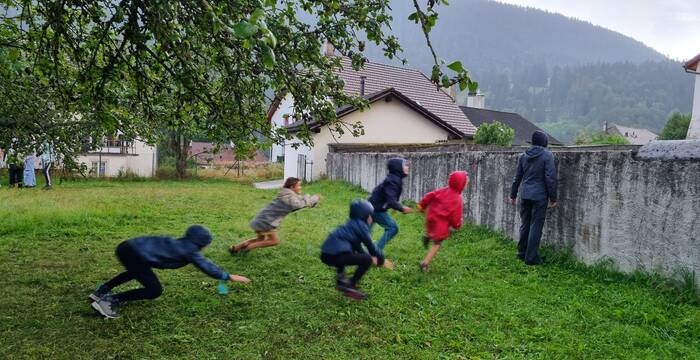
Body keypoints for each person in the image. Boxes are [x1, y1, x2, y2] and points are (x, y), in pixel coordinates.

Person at [90, 225, 250, 319]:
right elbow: (206, 266)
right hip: (135, 254)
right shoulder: (190, 251)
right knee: (154, 290)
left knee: (136, 271)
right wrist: (227, 276)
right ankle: (109, 301)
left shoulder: (182, 243)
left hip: (126, 247)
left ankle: (102, 291)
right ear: (201, 243)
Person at [320, 200, 391, 300]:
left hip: (326, 254)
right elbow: (371, 246)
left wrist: (370, 256)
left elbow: (358, 247)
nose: (371, 218)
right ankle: (350, 285)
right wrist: (381, 260)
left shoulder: (351, 224)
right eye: (370, 215)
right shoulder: (361, 226)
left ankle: (341, 279)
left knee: (348, 252)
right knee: (367, 259)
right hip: (335, 254)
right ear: (365, 215)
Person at [229, 177, 320, 254]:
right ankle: (247, 248)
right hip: (267, 222)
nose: (300, 187)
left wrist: (311, 200)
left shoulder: (287, 194)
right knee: (274, 241)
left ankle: (236, 248)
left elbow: (301, 201)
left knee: (260, 240)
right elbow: (299, 204)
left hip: (261, 219)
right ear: (292, 187)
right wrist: (312, 198)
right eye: (299, 185)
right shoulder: (289, 197)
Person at [510, 130, 558, 265]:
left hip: (525, 194)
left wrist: (513, 195)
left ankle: (521, 253)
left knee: (525, 224)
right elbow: (550, 178)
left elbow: (517, 177)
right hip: (539, 196)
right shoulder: (547, 155)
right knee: (536, 226)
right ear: (544, 142)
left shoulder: (523, 156)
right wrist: (553, 198)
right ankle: (531, 258)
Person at [417, 171, 468, 272]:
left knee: (431, 230)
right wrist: (457, 225)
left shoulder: (442, 190)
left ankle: (427, 236)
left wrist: (421, 206)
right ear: (461, 184)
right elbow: (456, 216)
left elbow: (429, 196)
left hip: (430, 217)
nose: (466, 184)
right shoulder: (457, 199)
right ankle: (425, 263)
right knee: (437, 243)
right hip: (440, 223)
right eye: (466, 182)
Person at [367, 158, 412, 253]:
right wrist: (402, 208)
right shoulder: (393, 181)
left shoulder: (394, 178)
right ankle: (375, 252)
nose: (407, 167)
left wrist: (392, 205)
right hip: (376, 209)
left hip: (372, 206)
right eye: (404, 165)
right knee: (393, 228)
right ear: (397, 168)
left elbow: (387, 196)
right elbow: (391, 199)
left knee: (365, 233)